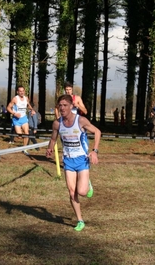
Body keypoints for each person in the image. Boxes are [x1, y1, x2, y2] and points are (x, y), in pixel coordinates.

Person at [46, 94, 101, 232]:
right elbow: (53, 139)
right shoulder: (57, 123)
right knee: (72, 192)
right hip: (68, 161)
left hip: (82, 160)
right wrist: (50, 148)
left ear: (71, 106)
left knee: (82, 192)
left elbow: (97, 131)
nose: (62, 108)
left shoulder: (80, 120)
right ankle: (80, 220)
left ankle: (87, 184)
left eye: (65, 105)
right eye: (60, 105)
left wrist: (94, 151)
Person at [6, 86, 35, 155]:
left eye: (23, 91)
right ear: (17, 92)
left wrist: (32, 110)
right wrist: (14, 113)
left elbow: (28, 105)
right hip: (16, 119)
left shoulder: (26, 98)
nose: (22, 92)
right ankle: (23, 144)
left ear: (24, 91)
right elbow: (8, 108)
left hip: (24, 118)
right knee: (19, 136)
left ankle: (24, 149)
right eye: (20, 91)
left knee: (26, 133)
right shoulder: (15, 99)